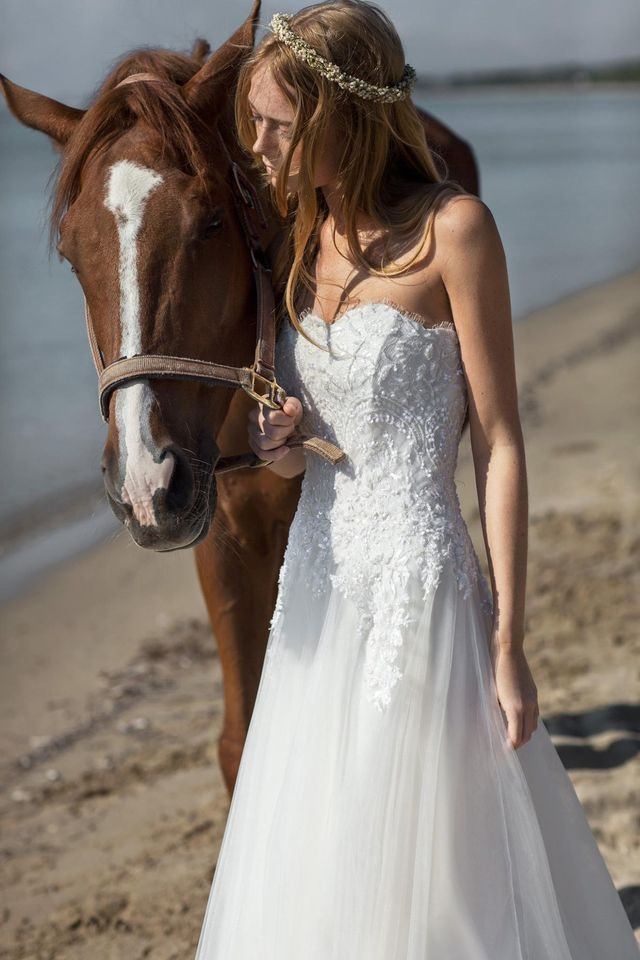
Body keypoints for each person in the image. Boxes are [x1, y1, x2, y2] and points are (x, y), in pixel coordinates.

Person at [194, 3, 640, 957]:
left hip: (419, 584)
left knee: (433, 862)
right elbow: (318, 437)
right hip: (316, 585)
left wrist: (511, 641)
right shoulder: (298, 242)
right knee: (319, 835)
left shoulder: (457, 232)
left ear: (337, 115)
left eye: (276, 123)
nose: (258, 145)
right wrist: (285, 443)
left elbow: (502, 445)